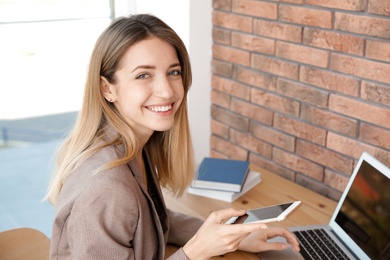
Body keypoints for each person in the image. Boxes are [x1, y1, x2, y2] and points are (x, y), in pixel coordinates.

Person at [45, 13, 300, 259]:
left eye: (173, 72)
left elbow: (151, 220)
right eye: (143, 75)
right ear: (107, 88)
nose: (167, 91)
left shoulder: (134, 145)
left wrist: (230, 238)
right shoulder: (107, 188)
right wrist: (195, 252)